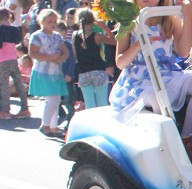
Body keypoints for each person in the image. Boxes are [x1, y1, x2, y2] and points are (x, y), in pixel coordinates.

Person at [108, 0, 192, 136]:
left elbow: (183, 52)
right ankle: (165, 138)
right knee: (155, 95)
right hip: (138, 79)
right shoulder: (129, 21)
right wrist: (140, 43)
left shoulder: (169, 19)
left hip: (165, 73)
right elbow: (121, 62)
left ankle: (187, 136)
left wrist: (189, 15)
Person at [27, 9, 68, 137]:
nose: (53, 24)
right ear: (42, 22)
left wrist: (59, 59)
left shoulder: (57, 36)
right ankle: (45, 125)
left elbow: (65, 52)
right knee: (54, 98)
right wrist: (50, 57)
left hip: (55, 71)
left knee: (54, 99)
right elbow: (33, 53)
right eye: (50, 21)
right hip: (42, 71)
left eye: (55, 21)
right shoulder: (37, 36)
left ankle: (53, 126)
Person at [72, 9, 114, 109]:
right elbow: (115, 41)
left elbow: (75, 54)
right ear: (93, 21)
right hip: (98, 71)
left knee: (89, 104)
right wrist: (105, 27)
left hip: (83, 73)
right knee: (102, 104)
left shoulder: (74, 35)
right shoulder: (97, 36)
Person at [0, 8, 27, 119]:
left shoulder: (0, 30)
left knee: (4, 86)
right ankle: (25, 108)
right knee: (18, 84)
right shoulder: (15, 29)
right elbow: (17, 41)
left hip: (2, 60)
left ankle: (6, 111)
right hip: (13, 59)